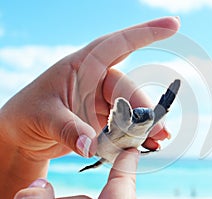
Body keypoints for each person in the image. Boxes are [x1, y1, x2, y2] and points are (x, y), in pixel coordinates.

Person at [0, 16, 180, 198]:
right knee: (100, 159)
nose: (147, 119)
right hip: (106, 147)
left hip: (110, 149)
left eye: (148, 118)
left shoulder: (147, 122)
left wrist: (20, 150)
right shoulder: (126, 120)